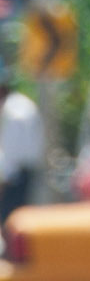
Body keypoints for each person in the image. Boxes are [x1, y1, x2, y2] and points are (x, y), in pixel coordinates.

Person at [0, 77, 43, 217]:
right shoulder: (22, 104)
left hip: (16, 176)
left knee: (11, 218)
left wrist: (4, 181)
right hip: (27, 171)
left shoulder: (13, 113)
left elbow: (12, 152)